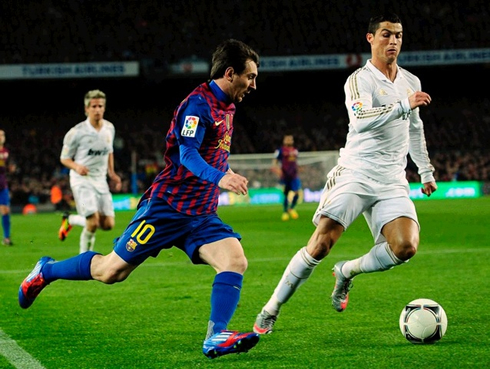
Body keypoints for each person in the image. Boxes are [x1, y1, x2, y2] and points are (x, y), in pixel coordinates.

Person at [19, 39, 260, 359]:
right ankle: (45, 271)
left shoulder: (228, 106)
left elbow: (210, 152)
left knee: (234, 260)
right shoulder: (198, 105)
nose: (254, 84)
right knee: (110, 272)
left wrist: (224, 170)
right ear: (230, 73)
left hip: (201, 213)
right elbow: (187, 154)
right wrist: (221, 177)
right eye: (251, 76)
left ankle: (216, 336)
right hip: (167, 207)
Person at [253, 13, 437, 335]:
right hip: (356, 172)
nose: (393, 41)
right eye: (385, 34)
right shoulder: (359, 80)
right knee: (321, 244)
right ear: (371, 39)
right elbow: (362, 120)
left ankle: (347, 271)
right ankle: (272, 307)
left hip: (392, 179)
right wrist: (403, 105)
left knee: (405, 247)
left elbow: (415, 131)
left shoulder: (411, 81)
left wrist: (425, 171)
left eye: (398, 35)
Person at [58, 89, 122, 254]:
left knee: (108, 225)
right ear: (86, 109)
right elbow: (64, 158)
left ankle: (71, 219)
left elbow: (109, 152)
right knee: (92, 223)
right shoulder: (76, 132)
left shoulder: (109, 128)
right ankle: (84, 259)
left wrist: (112, 173)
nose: (97, 109)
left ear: (104, 108)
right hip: (82, 180)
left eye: (100, 106)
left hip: (100, 180)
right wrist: (77, 166)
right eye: (93, 106)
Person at [272, 134, 301, 221]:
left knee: (297, 192)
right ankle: (285, 212)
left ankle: (291, 208)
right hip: (285, 176)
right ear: (284, 141)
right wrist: (278, 170)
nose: (289, 141)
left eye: (290, 139)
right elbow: (275, 162)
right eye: (287, 139)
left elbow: (294, 162)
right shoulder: (280, 150)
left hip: (294, 176)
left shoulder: (295, 150)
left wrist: (298, 169)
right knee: (286, 194)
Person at [0, 130, 14, 246]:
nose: (1, 137)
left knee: (5, 211)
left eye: (2, 135)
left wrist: (10, 168)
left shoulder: (6, 152)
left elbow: (7, 168)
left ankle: (6, 237)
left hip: (2, 185)